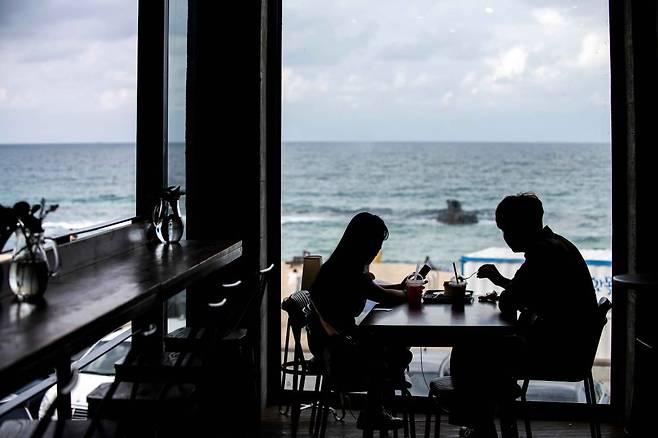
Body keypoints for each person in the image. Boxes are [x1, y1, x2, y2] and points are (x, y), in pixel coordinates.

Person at [450, 193, 598, 438]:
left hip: (558, 351)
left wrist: (506, 291)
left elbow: (511, 300)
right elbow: (529, 293)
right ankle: (495, 409)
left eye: (506, 229)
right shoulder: (557, 245)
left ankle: (481, 425)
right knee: (481, 351)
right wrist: (501, 281)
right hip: (571, 345)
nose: (505, 237)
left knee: (467, 349)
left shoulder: (542, 253)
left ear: (520, 226)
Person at [307, 212, 411, 430]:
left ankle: (376, 409)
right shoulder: (349, 271)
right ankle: (374, 411)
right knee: (396, 352)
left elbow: (375, 290)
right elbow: (383, 296)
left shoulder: (338, 265)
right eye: (375, 245)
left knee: (393, 349)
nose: (376, 251)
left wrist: (401, 288)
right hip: (338, 349)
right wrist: (409, 292)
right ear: (363, 243)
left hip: (329, 342)